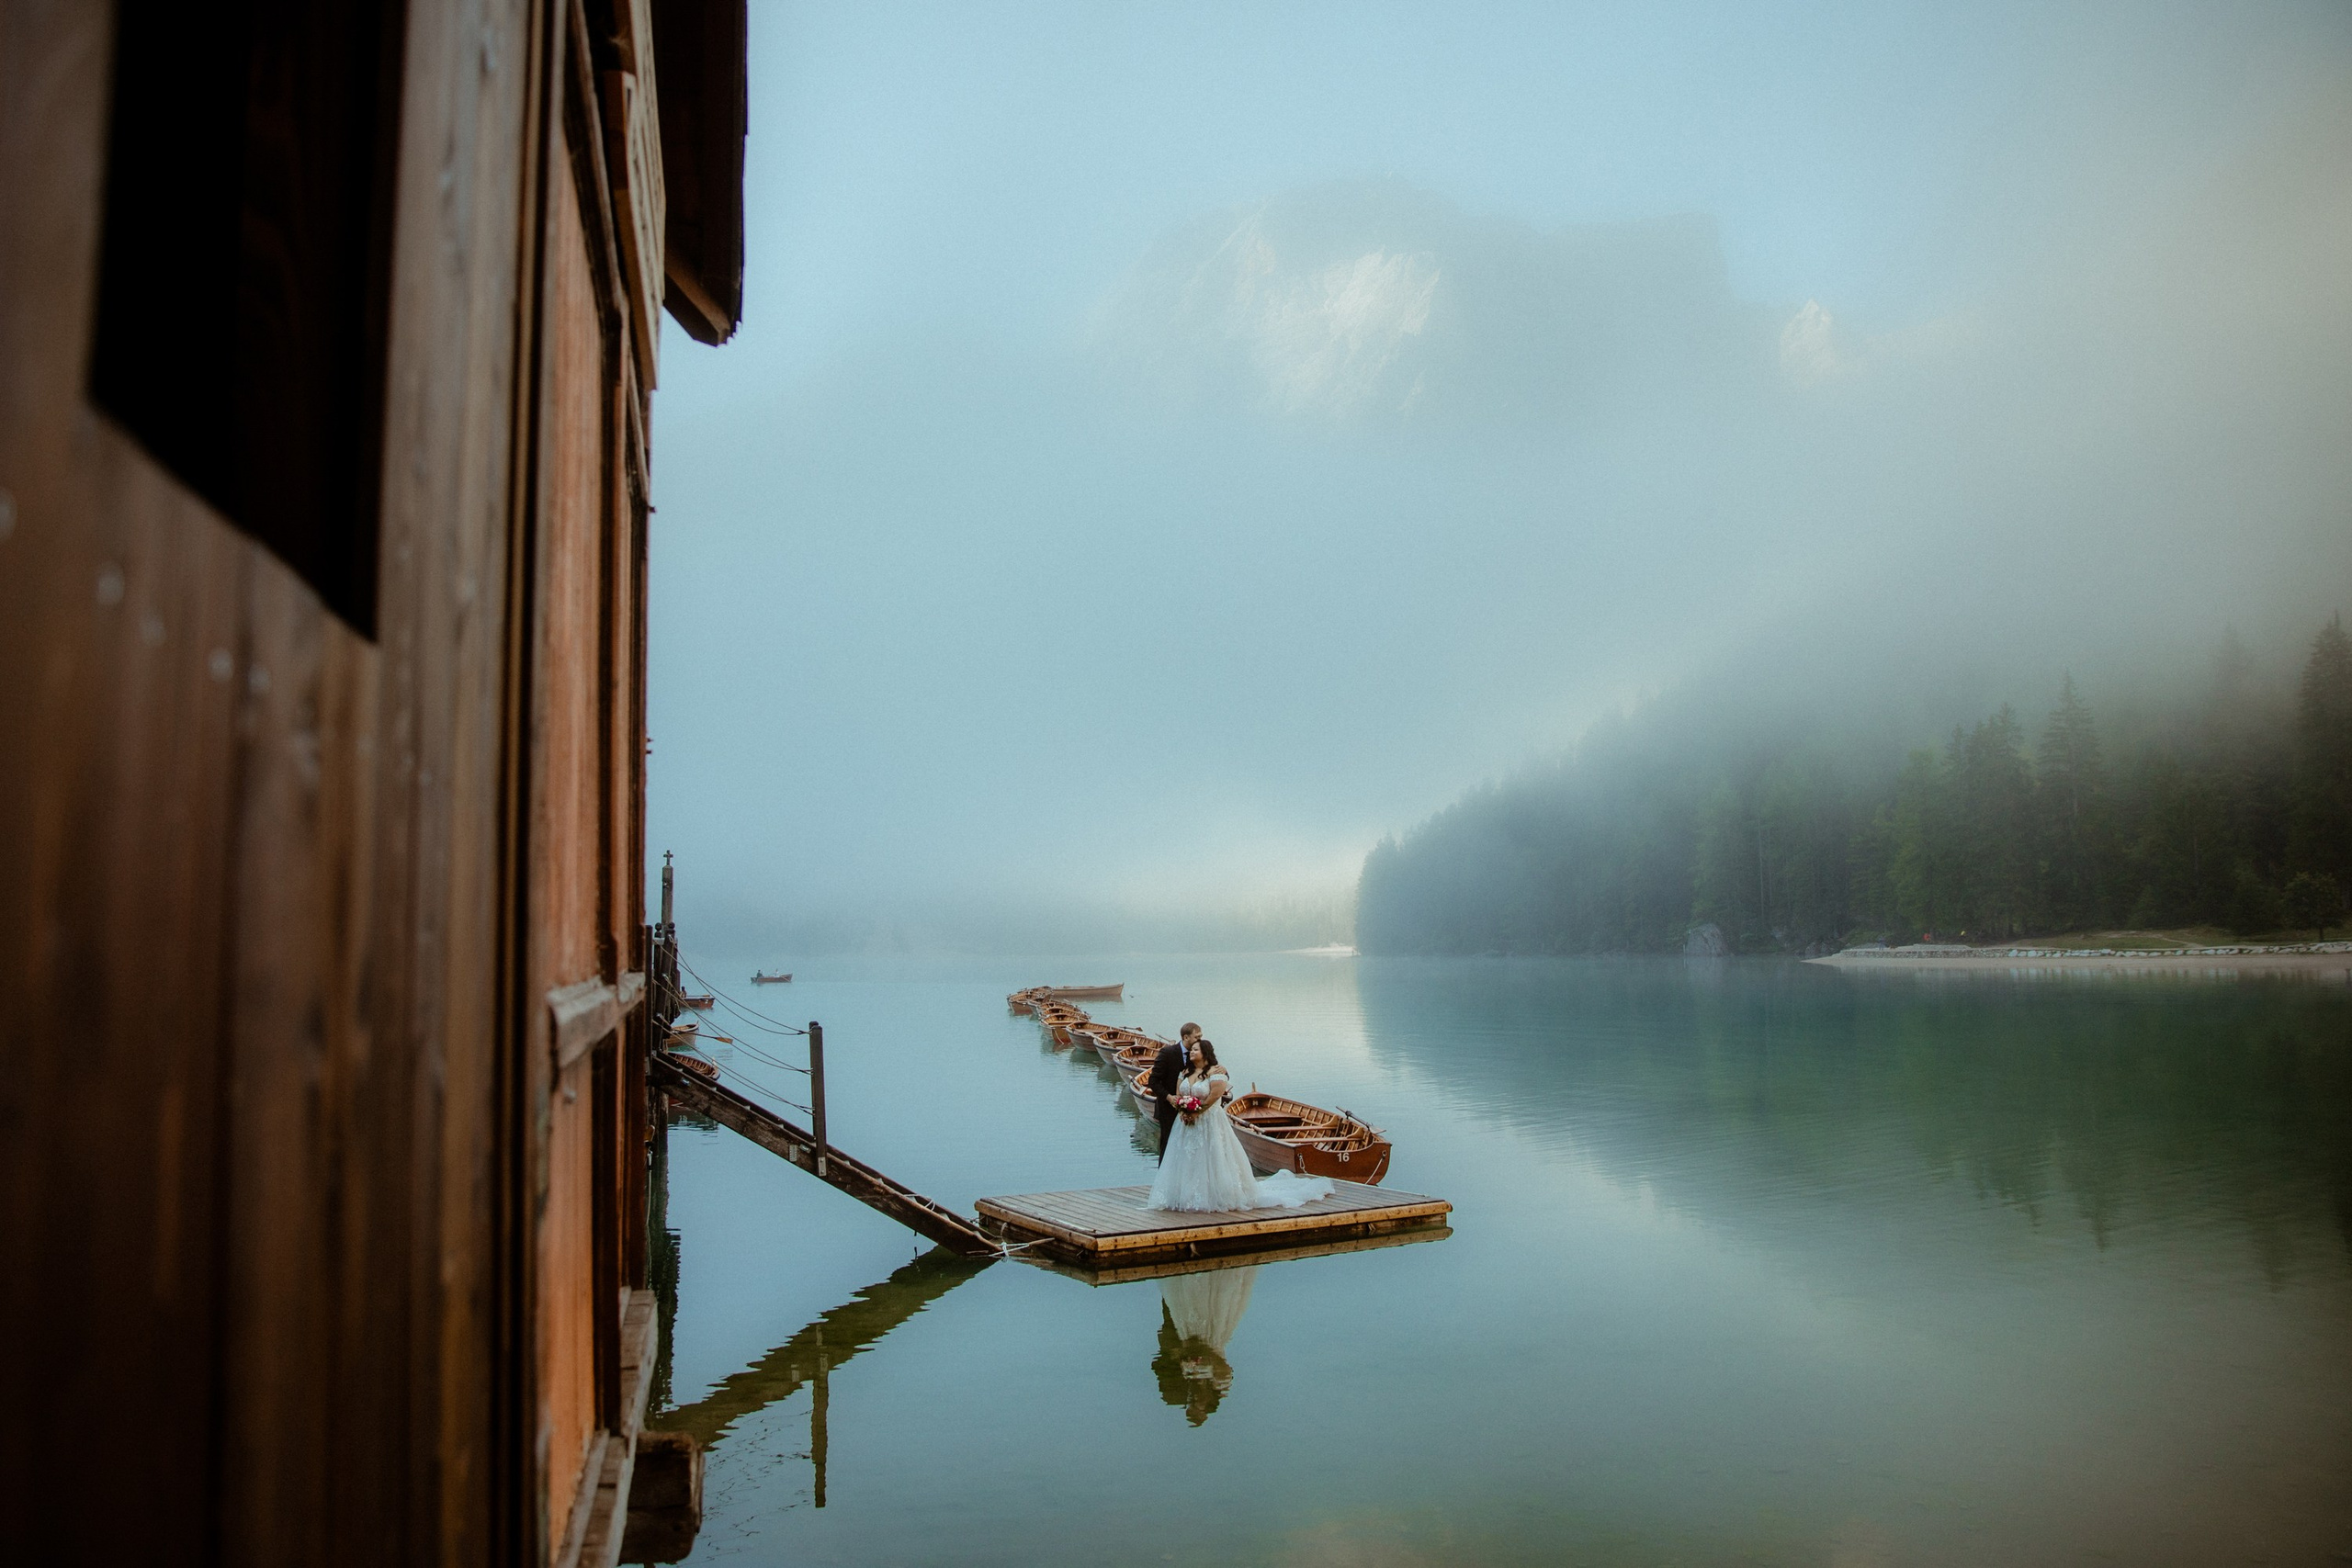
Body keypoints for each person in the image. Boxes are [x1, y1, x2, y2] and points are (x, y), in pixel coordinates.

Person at [1147, 1038, 1334, 1212]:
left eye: (1195, 1049)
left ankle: (1215, 1194)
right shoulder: (1185, 1072)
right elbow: (1180, 1095)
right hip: (1186, 1124)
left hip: (1209, 1121)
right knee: (1187, 1158)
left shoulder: (1216, 1073)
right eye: (1191, 1049)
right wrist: (1183, 1111)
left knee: (1213, 1156)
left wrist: (1196, 1112)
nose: (1191, 1052)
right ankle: (1185, 1195)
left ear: (1205, 1053)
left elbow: (1214, 1098)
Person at [1147, 1024, 1201, 1162]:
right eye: (1197, 1037)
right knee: (1168, 1145)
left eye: (1200, 1036)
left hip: (1193, 1110)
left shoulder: (1200, 1052)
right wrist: (1169, 1098)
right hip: (1168, 1110)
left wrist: (1222, 1069)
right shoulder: (1167, 1053)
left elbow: (1215, 1068)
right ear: (1186, 1037)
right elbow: (1153, 1081)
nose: (1199, 1039)